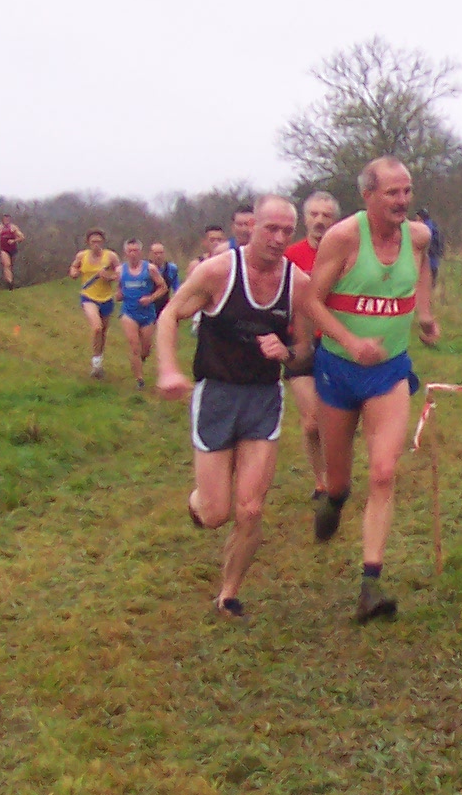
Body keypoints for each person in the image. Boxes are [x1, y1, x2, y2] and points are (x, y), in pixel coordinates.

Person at [156, 195, 317, 619]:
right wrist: (168, 369)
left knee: (250, 508)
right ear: (251, 228)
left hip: (262, 398)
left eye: (287, 231)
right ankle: (199, 501)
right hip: (217, 395)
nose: (279, 239)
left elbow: (304, 349)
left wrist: (286, 352)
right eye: (271, 229)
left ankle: (228, 594)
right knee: (216, 513)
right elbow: (170, 315)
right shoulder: (219, 272)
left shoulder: (297, 283)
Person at [306, 158, 438, 622]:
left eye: (407, 191)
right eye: (392, 193)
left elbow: (423, 267)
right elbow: (311, 302)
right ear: (368, 196)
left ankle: (370, 584)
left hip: (390, 371)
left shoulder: (417, 237)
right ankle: (333, 500)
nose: (402, 201)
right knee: (340, 481)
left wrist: (424, 312)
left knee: (383, 472)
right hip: (339, 370)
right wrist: (351, 342)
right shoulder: (343, 238)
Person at [284, 191, 341, 499]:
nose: (320, 220)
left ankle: (337, 473)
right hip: (300, 342)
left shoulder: (346, 254)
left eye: (326, 215)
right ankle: (321, 482)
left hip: (335, 342)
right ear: (305, 219)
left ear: (335, 221)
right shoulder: (290, 256)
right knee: (311, 422)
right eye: (314, 214)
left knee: (335, 418)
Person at [116, 238, 169, 389]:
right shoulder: (120, 270)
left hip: (147, 313)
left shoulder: (150, 269)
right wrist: (119, 294)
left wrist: (150, 298)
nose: (133, 254)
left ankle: (140, 360)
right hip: (129, 313)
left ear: (140, 252)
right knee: (134, 346)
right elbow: (119, 288)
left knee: (146, 348)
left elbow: (163, 287)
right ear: (125, 253)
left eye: (135, 250)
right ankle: (139, 380)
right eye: (130, 251)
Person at [69, 229, 122, 377]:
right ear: (88, 242)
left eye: (99, 241)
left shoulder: (111, 256)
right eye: (93, 242)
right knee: (97, 328)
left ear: (103, 242)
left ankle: (98, 362)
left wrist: (109, 276)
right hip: (88, 297)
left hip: (106, 298)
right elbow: (74, 267)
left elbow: (120, 274)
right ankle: (96, 363)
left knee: (103, 332)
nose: (96, 244)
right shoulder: (82, 256)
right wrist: (74, 272)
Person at [148, 242, 180, 324]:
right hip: (148, 305)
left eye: (161, 253)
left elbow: (177, 288)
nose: (158, 256)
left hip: (164, 304)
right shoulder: (145, 268)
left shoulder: (171, 269)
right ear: (150, 255)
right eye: (156, 253)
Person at [0, 215, 23, 289]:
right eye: (5, 219)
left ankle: (10, 279)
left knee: (10, 266)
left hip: (13, 249)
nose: (6, 221)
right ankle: (9, 283)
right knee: (7, 265)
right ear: (2, 220)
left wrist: (14, 240)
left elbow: (22, 237)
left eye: (8, 219)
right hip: (4, 249)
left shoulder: (13, 228)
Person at [420, 207, 445, 292]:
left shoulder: (425, 227)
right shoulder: (433, 225)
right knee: (432, 282)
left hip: (429, 259)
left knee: (426, 282)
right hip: (435, 259)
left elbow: (426, 242)